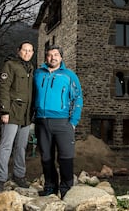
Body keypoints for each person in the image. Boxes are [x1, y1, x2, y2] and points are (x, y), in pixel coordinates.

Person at [33, 44, 83, 198]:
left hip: (63, 122)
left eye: (56, 54)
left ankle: (66, 190)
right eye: (49, 54)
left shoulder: (69, 75)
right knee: (46, 158)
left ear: (61, 57)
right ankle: (50, 188)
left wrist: (73, 122)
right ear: (45, 57)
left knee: (65, 158)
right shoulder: (38, 74)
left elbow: (78, 98)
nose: (52, 57)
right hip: (41, 122)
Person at [0, 41, 35, 191]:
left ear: (33, 53)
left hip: (26, 115)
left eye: (30, 51)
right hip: (12, 112)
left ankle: (19, 175)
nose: (27, 53)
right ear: (19, 51)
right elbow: (3, 88)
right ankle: (0, 178)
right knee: (6, 146)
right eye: (25, 50)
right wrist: (4, 111)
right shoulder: (10, 65)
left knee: (21, 147)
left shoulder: (31, 68)